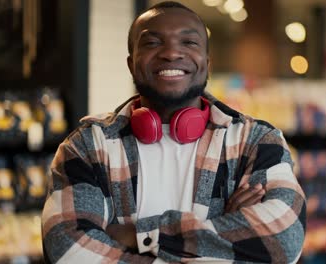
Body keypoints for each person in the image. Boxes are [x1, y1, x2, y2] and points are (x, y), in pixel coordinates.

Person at [41, 1, 306, 263]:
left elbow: (283, 239)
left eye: (189, 42)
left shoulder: (256, 142)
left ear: (207, 64)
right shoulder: (88, 146)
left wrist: (138, 235)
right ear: (131, 64)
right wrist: (224, 230)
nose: (171, 53)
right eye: (153, 42)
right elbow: (68, 249)